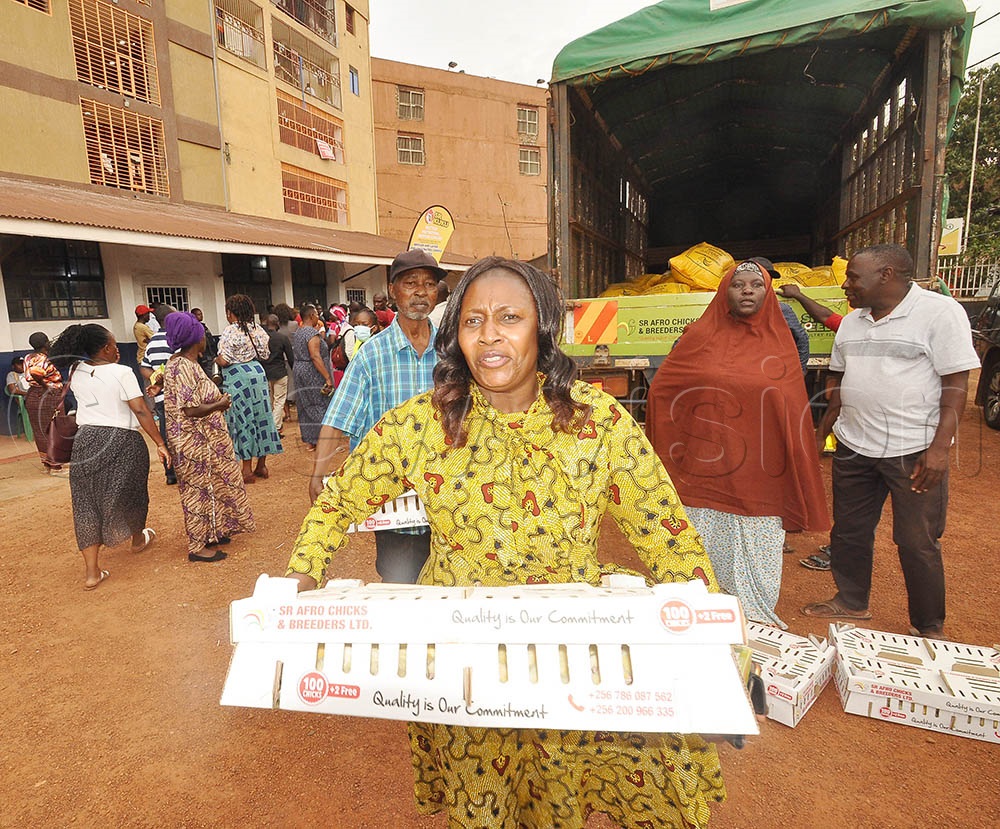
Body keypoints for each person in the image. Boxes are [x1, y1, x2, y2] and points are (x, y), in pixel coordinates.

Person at [286, 256, 726, 829]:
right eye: (473, 320)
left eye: (509, 317)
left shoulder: (599, 422)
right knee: (485, 794)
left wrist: (715, 639)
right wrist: (300, 577)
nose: (489, 335)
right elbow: (341, 499)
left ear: (542, 327)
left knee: (563, 784)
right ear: (457, 334)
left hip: (567, 657)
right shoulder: (423, 424)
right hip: (466, 665)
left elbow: (667, 535)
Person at [803, 244, 980, 638]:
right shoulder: (852, 322)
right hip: (854, 445)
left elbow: (956, 384)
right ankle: (851, 600)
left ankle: (928, 623)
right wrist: (821, 436)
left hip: (913, 451)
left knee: (917, 541)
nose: (847, 285)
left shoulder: (939, 312)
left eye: (853, 277)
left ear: (886, 275)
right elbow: (839, 385)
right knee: (848, 530)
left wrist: (938, 451)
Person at [646, 259, 830, 629]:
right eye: (738, 284)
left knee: (757, 539)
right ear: (723, 292)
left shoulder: (781, 343)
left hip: (761, 470)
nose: (747, 290)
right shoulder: (699, 335)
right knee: (703, 542)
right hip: (705, 469)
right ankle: (705, 616)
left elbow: (789, 405)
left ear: (767, 292)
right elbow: (664, 388)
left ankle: (753, 620)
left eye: (756, 285)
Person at [308, 248, 444, 584]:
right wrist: (318, 473)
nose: (420, 292)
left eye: (428, 284)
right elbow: (340, 417)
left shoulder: (452, 350)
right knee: (402, 587)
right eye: (410, 283)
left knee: (453, 593)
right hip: (397, 506)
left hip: (451, 504)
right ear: (394, 290)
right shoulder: (372, 355)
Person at [48, 324, 169, 590]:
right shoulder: (122, 372)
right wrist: (160, 443)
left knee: (86, 502)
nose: (117, 350)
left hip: (85, 441)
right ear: (105, 348)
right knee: (132, 493)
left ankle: (92, 573)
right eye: (114, 345)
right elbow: (140, 410)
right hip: (122, 440)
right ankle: (137, 539)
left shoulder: (75, 370)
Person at [162, 312, 255, 563]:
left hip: (205, 440)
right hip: (193, 441)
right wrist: (220, 404)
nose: (205, 337)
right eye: (202, 333)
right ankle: (197, 546)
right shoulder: (182, 366)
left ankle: (212, 531)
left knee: (211, 486)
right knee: (196, 491)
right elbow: (190, 410)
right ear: (195, 338)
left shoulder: (183, 363)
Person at [216, 294, 283, 483]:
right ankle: (262, 465)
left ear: (230, 313)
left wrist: (216, 360)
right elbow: (265, 353)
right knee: (262, 417)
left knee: (242, 419)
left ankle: (246, 469)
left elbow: (225, 360)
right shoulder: (258, 330)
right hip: (257, 373)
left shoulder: (230, 331)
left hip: (238, 377)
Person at [748, 257, 810, 373]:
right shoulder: (733, 307)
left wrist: (800, 372)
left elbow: (801, 340)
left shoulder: (781, 309)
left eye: (767, 277)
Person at [140, 305, 178, 485]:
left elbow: (144, 367)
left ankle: (170, 473)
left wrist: (156, 377)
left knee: (165, 433)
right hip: (178, 396)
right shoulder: (175, 340)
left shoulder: (153, 341)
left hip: (161, 397)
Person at [23, 331, 68, 476]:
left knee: (40, 431)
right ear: (46, 343)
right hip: (47, 396)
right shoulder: (42, 359)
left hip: (32, 395)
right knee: (56, 429)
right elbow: (36, 373)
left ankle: (47, 464)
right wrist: (44, 385)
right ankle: (55, 466)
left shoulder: (28, 357)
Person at [291, 304, 333, 451]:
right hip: (312, 371)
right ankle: (323, 442)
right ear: (311, 316)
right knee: (319, 403)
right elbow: (315, 356)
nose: (318, 317)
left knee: (305, 404)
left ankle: (311, 441)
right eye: (316, 314)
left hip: (299, 370)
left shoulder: (298, 332)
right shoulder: (311, 334)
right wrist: (327, 377)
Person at [261, 314, 294, 435]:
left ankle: (270, 426)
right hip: (280, 372)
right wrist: (293, 370)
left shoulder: (262, 338)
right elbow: (291, 358)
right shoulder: (282, 338)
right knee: (279, 401)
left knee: (270, 401)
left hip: (265, 373)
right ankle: (275, 428)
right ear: (277, 323)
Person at [190, 307, 218, 379]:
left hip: (210, 353)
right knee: (209, 376)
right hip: (204, 356)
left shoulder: (203, 326)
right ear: (194, 315)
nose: (201, 316)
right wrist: (200, 354)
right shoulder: (194, 327)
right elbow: (195, 341)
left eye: (201, 314)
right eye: (199, 314)